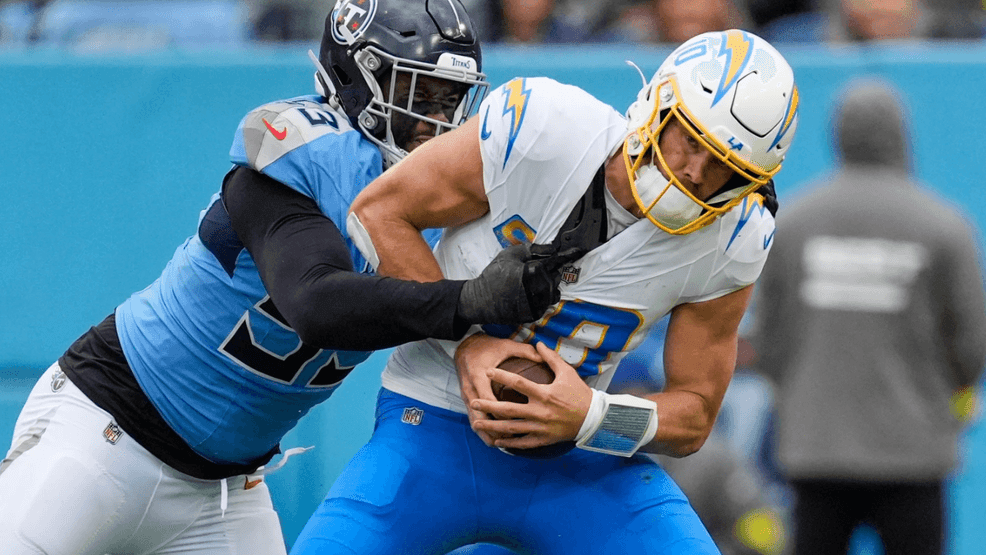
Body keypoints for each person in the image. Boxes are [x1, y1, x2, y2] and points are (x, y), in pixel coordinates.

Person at [0, 1, 582, 553]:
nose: (437, 121)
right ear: (358, 77)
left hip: (223, 492)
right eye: (421, 94)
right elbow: (315, 302)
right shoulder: (302, 151)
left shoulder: (446, 202)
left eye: (452, 99)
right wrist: (469, 300)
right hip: (109, 430)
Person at [291, 29, 800, 554]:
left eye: (724, 166)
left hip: (578, 456)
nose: (695, 172)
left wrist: (593, 417)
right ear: (658, 106)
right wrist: (464, 342)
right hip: (430, 422)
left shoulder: (736, 235)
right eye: (691, 140)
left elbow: (693, 415)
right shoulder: (545, 127)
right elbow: (378, 213)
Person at [751, 78, 986, 555]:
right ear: (902, 134)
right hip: (913, 449)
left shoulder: (794, 222)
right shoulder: (943, 224)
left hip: (815, 447)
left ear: (837, 135)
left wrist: (797, 390)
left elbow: (768, 338)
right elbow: (972, 342)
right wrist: (946, 391)